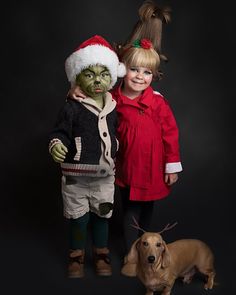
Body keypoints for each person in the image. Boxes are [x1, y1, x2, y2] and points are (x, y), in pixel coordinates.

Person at [69, 1, 182, 256]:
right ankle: (134, 252)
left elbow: (170, 134)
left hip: (153, 166)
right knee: (129, 207)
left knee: (148, 206)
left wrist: (171, 165)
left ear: (153, 75)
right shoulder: (112, 99)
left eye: (147, 72)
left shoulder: (158, 102)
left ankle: (147, 244)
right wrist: (75, 88)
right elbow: (89, 99)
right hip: (126, 164)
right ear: (122, 70)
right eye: (134, 70)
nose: (140, 76)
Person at [48, 35, 126, 278]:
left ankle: (101, 254)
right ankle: (76, 257)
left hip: (104, 177)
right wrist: (56, 144)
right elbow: (60, 131)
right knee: (79, 219)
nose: (97, 80)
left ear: (112, 77)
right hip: (75, 178)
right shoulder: (72, 105)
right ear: (77, 77)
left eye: (104, 73)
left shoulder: (114, 105)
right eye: (89, 74)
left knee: (102, 217)